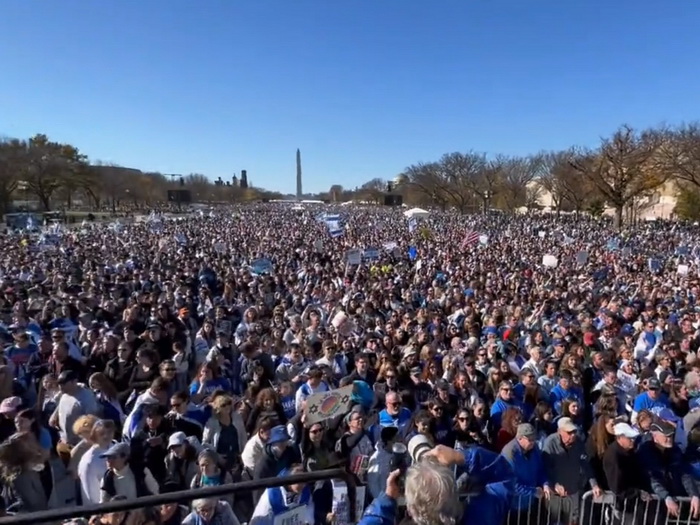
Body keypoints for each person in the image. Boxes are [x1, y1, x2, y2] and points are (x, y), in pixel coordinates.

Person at [250, 465, 315, 525]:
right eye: (299, 480)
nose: (302, 485)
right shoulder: (271, 496)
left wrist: (308, 522)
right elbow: (259, 521)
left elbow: (309, 509)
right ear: (290, 481)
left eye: (304, 481)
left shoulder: (305, 491)